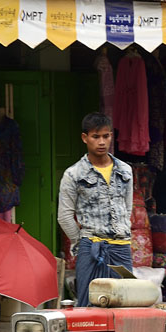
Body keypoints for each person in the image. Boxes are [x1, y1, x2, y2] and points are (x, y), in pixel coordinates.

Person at [57, 113, 133, 307]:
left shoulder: (125, 170)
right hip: (91, 248)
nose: (101, 142)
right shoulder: (73, 174)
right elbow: (64, 216)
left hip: (121, 248)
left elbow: (127, 207)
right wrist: (81, 241)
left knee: (124, 304)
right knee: (88, 305)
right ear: (85, 138)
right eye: (95, 137)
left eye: (106, 136)